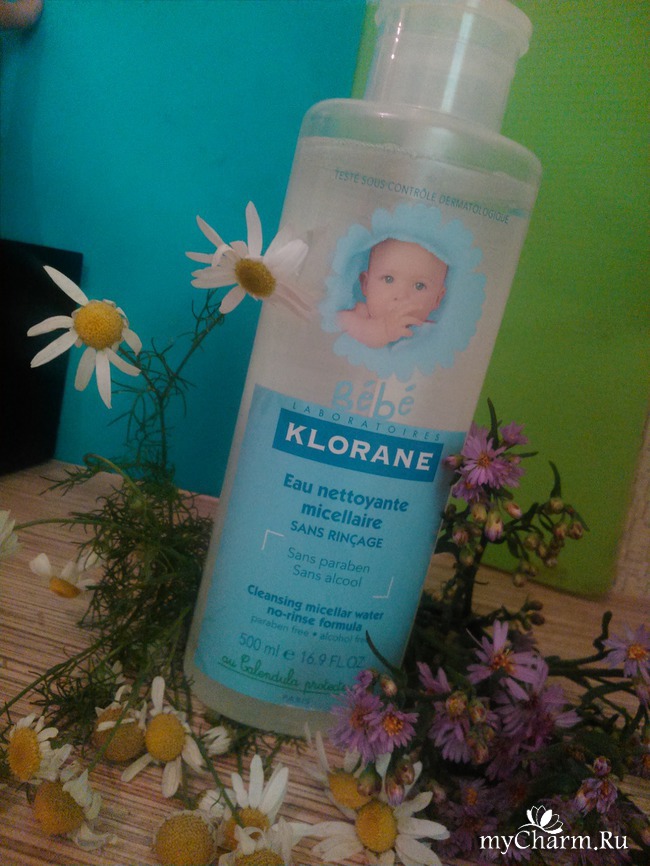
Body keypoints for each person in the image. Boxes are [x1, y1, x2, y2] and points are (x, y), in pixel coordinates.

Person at [337, 237, 448, 348]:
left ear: (437, 299)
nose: (401, 296)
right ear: (366, 284)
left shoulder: (434, 332)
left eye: (419, 286)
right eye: (388, 279)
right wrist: (377, 331)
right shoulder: (361, 315)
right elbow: (336, 321)